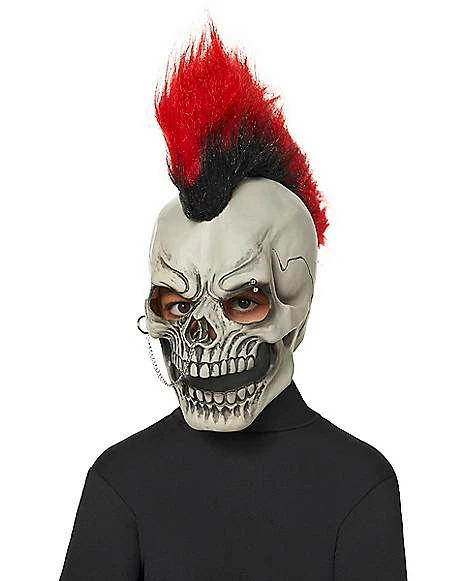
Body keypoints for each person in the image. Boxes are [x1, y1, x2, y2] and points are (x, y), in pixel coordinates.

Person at [59, 22, 408, 581]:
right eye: (177, 306)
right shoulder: (118, 483)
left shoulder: (361, 487)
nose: (199, 334)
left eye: (243, 301)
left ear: (296, 305)